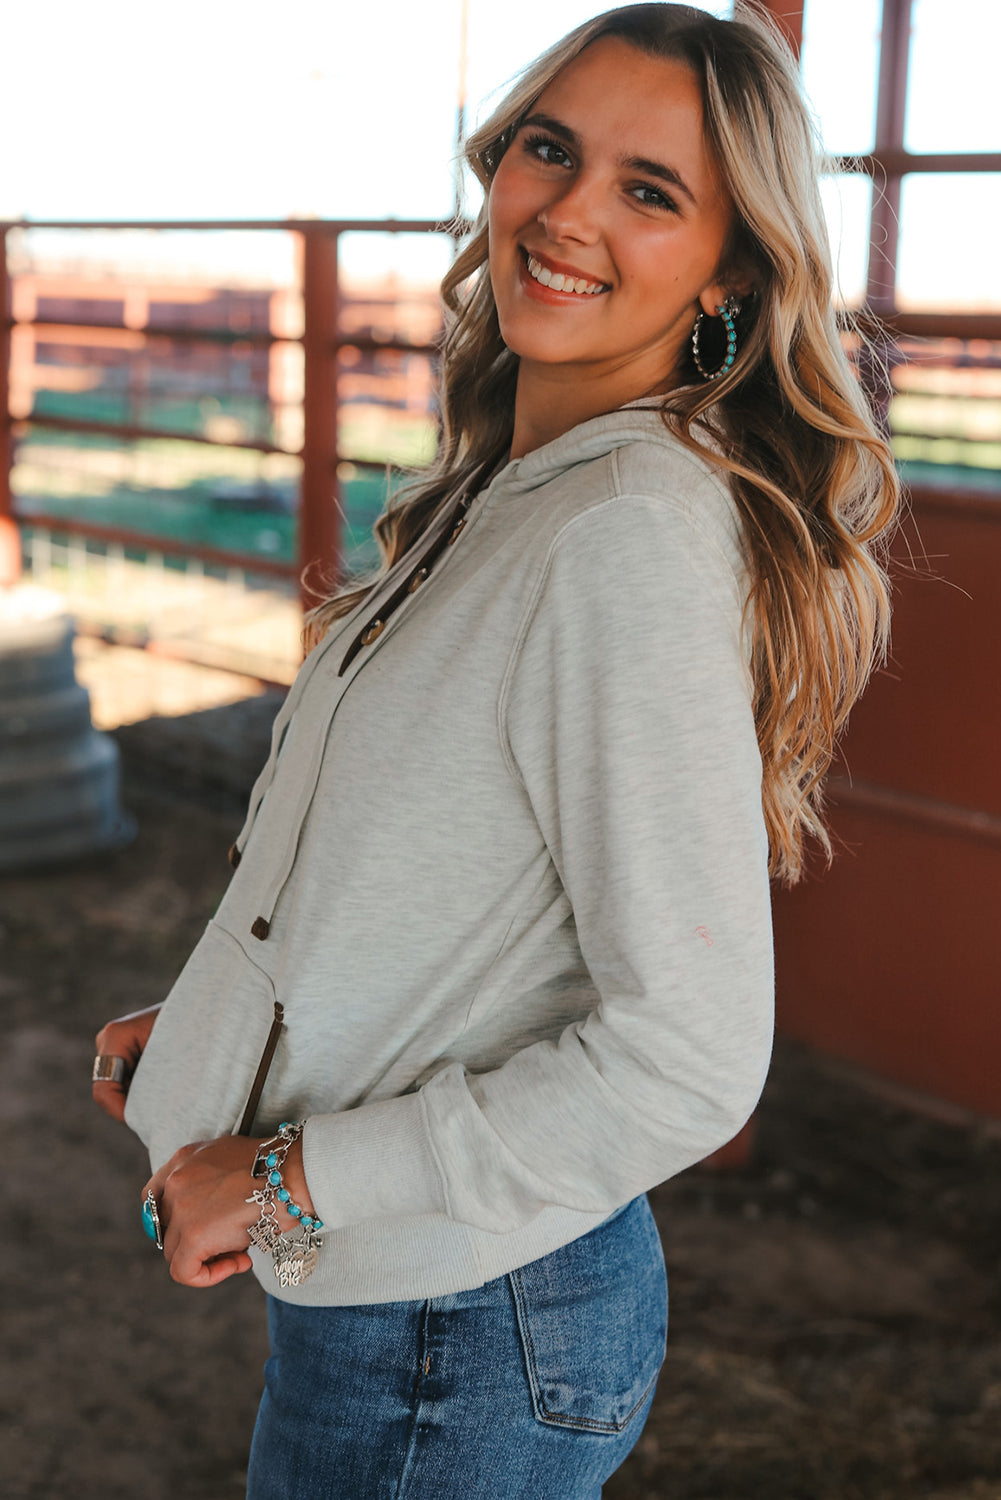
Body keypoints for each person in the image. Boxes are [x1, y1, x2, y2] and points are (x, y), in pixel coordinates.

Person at [92, 5, 899, 1495]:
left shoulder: (623, 538)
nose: (566, 210)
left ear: (728, 268)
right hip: (423, 1315)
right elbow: (439, 869)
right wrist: (239, 1025)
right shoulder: (511, 490)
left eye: (648, 191)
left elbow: (688, 1063)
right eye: (549, 149)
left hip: (459, 1336)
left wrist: (279, 1174)